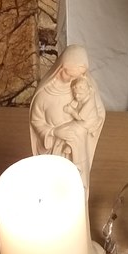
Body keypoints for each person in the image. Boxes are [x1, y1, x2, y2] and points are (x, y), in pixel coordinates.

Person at [29, 44, 105, 195]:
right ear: (60, 69)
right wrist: (54, 132)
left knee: (77, 188)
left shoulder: (85, 87)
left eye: (78, 76)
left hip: (78, 148)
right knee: (57, 189)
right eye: (69, 75)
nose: (73, 81)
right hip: (55, 150)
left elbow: (99, 113)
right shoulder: (44, 94)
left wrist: (83, 126)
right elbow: (37, 121)